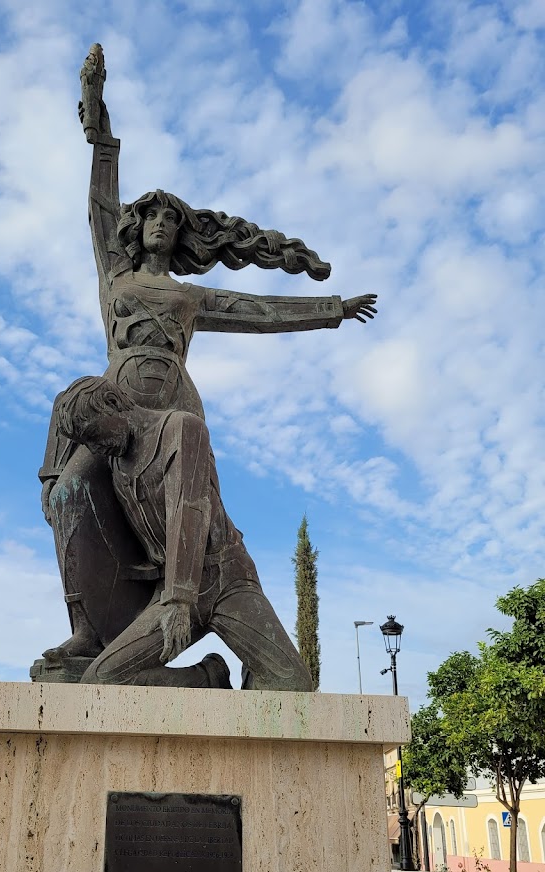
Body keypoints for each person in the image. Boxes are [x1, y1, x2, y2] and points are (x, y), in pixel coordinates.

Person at [39, 44, 377, 665]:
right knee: (71, 492)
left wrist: (332, 309)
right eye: (152, 217)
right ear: (137, 227)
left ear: (181, 236)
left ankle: (192, 597)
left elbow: (257, 311)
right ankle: (88, 629)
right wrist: (101, 132)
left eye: (172, 220)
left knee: (187, 507)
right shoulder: (116, 276)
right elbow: (100, 207)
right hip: (115, 399)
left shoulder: (189, 297)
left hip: (173, 400)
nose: (161, 225)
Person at [53, 375, 314, 691]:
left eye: (94, 435)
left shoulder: (182, 428)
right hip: (167, 592)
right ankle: (209, 677)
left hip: (224, 581)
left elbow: (187, 507)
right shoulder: (116, 460)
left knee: (293, 684)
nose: (95, 448)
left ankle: (252, 674)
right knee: (101, 680)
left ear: (112, 403)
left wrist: (180, 599)